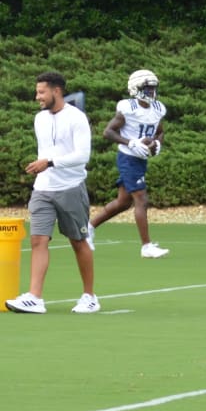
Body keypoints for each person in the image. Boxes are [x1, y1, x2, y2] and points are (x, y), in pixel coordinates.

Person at [5, 71, 100, 314]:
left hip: (70, 188)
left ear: (56, 91)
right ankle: (35, 297)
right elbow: (46, 149)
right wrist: (44, 166)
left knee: (78, 242)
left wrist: (49, 162)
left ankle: (89, 296)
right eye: (37, 92)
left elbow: (82, 156)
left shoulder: (77, 118)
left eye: (41, 92)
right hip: (42, 188)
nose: (37, 96)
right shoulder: (40, 119)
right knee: (38, 239)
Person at [87, 69, 169, 259]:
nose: (151, 93)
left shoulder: (158, 109)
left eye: (153, 89)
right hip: (128, 158)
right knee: (141, 199)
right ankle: (146, 246)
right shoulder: (127, 108)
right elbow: (108, 132)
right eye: (147, 89)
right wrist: (130, 142)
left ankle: (89, 228)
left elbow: (160, 132)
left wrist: (157, 143)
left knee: (123, 202)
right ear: (135, 88)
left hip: (141, 160)